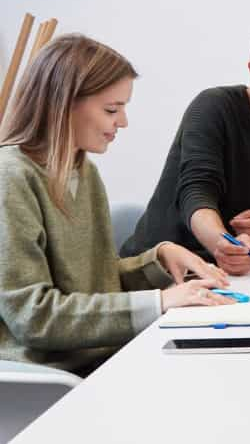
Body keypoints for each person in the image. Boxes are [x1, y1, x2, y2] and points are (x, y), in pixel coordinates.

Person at [0, 34, 231, 375]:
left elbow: (92, 284)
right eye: (112, 109)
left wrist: (159, 259)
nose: (122, 122)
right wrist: (160, 301)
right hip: (55, 375)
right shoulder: (12, 178)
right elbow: (34, 317)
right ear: (63, 104)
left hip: (105, 356)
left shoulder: (83, 171)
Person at [120, 20, 250, 277]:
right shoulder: (213, 107)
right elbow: (196, 193)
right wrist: (222, 245)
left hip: (240, 267)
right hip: (167, 268)